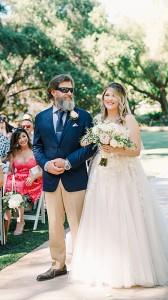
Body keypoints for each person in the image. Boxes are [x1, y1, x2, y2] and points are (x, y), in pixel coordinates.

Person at [70, 82, 168, 288]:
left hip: (125, 175)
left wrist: (114, 149)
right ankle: (105, 267)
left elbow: (136, 150)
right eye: (106, 95)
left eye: (114, 95)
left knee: (128, 215)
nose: (109, 98)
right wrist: (93, 141)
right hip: (101, 174)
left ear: (121, 99)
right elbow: (88, 144)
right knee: (103, 215)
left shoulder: (128, 119)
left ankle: (135, 268)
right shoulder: (98, 120)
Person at [33, 74, 96, 281]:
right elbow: (37, 146)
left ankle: (82, 266)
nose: (69, 93)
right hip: (51, 180)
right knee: (54, 225)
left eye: (71, 90)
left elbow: (90, 147)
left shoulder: (83, 116)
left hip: (75, 178)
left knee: (78, 225)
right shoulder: (41, 117)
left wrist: (68, 162)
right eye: (64, 89)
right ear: (53, 92)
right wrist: (46, 164)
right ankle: (58, 265)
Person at [4, 127, 42, 237]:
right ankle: (7, 218)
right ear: (16, 140)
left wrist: (33, 177)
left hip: (33, 179)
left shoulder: (35, 150)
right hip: (18, 179)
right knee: (9, 184)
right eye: (19, 138)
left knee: (18, 186)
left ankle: (20, 221)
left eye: (24, 136)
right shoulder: (14, 153)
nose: (22, 139)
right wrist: (10, 180)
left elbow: (43, 169)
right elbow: (11, 170)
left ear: (27, 136)